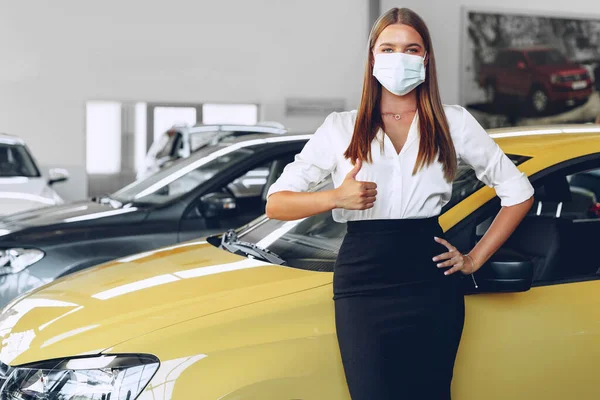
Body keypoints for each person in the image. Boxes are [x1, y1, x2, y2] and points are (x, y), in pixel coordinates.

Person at [266, 7, 534, 400]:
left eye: (411, 48)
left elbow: (519, 193)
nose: (399, 57)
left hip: (430, 280)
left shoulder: (452, 122)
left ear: (425, 58)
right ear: (373, 57)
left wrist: (474, 259)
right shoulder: (341, 126)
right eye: (388, 48)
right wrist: (335, 197)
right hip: (363, 280)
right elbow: (276, 204)